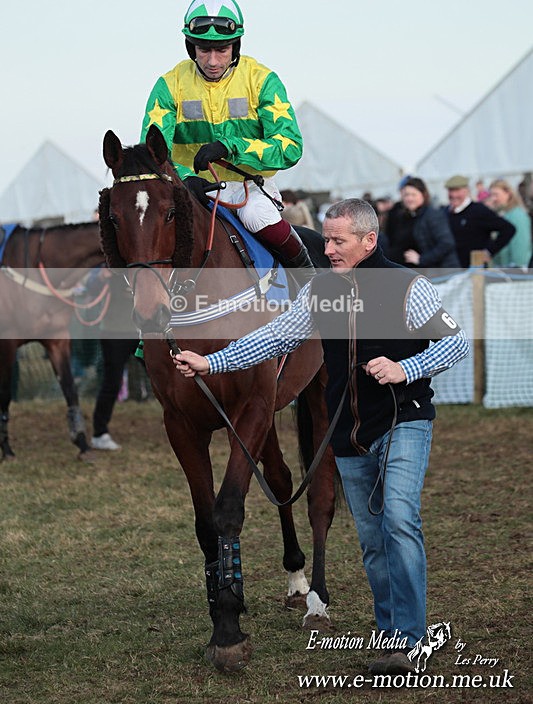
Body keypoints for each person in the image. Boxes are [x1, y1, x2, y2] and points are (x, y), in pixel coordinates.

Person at [171, 198, 469, 676]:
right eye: (326, 239)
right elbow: (274, 338)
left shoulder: (407, 286)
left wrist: (404, 368)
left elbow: (455, 343)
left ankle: (411, 640)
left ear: (369, 241)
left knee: (397, 521)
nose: (326, 249)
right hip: (348, 434)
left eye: (337, 241)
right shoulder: (321, 293)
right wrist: (212, 362)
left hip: (404, 421)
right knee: (372, 539)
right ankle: (390, 635)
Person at [140, 0, 314, 279]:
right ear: (190, 47)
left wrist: (230, 147)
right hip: (191, 191)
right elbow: (154, 151)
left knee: (258, 217)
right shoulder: (168, 86)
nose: (212, 60)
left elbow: (290, 146)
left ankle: (310, 281)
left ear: (236, 46)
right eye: (203, 49)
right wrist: (184, 178)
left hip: (248, 189)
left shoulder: (262, 80)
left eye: (222, 49)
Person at [89, 269, 140, 450]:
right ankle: (99, 433)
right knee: (112, 383)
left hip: (143, 334)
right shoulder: (110, 267)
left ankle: (180, 421)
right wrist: (102, 277)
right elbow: (91, 288)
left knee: (163, 378)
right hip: (114, 334)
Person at [385, 177, 460, 269]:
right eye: (406, 195)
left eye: (413, 195)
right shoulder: (405, 216)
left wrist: (422, 259)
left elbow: (447, 243)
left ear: (423, 195)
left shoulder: (432, 215)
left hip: (441, 271)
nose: (409, 198)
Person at [444, 174, 515, 268]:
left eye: (457, 190)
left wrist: (489, 251)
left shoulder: (478, 211)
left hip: (475, 270)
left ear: (466, 190)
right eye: (451, 191)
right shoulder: (445, 213)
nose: (453, 195)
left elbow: (508, 228)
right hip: (451, 268)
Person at [487, 179, 533, 268]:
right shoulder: (504, 214)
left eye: (496, 195)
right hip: (505, 267)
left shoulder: (517, 215)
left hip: (516, 269)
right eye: (491, 195)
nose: (493, 199)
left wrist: (518, 268)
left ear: (508, 193)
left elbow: (521, 246)